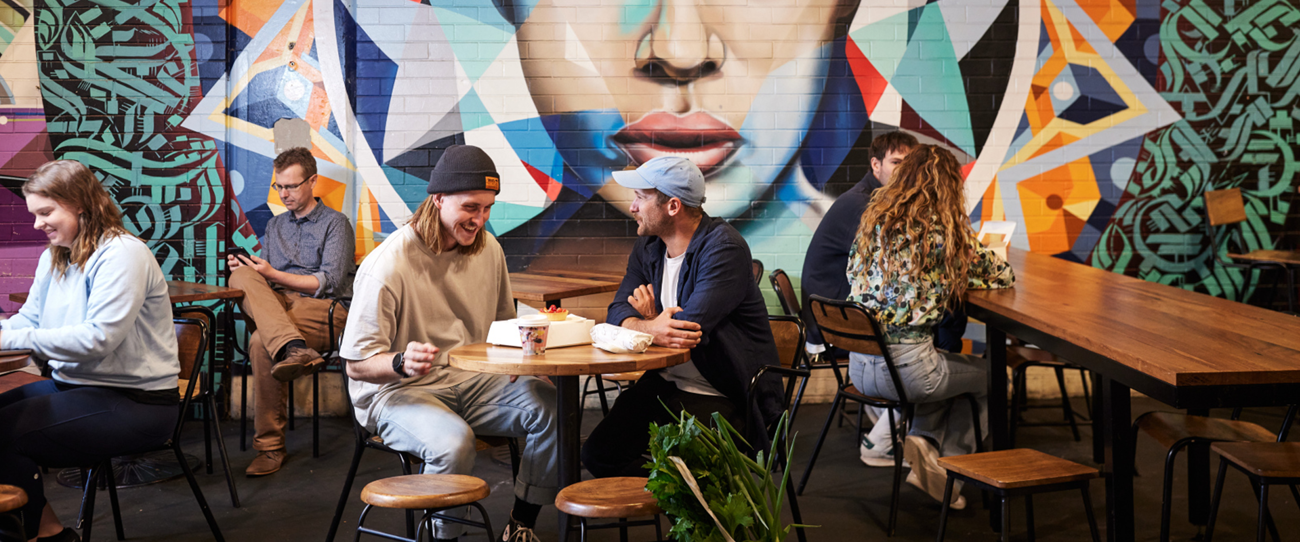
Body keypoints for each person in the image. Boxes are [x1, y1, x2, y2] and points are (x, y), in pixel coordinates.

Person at [340, 145, 558, 542]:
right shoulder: (388, 264)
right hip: (397, 391)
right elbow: (357, 365)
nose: (480, 220)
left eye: (488, 208)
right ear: (438, 199)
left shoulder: (489, 250)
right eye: (471, 207)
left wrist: (526, 362)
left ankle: (521, 524)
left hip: (471, 379)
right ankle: (445, 538)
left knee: (551, 407)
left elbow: (503, 327)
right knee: (453, 442)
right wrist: (402, 361)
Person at [0, 160, 181, 542]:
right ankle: (46, 532)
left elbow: (98, 339)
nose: (37, 224)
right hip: (78, 386)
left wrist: (8, 340)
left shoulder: (122, 254)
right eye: (34, 214)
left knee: (4, 433)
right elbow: (28, 320)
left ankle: (42, 535)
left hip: (138, 403)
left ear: (79, 203)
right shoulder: (54, 256)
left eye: (46, 212)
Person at [581, 156, 783, 478]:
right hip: (669, 382)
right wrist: (650, 325)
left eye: (641, 197)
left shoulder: (723, 247)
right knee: (598, 454)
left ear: (672, 206)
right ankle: (679, 496)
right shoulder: (648, 246)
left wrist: (649, 322)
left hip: (725, 391)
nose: (632, 207)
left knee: (689, 469)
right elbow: (617, 311)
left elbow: (684, 332)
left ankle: (694, 502)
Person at [845, 145, 1014, 509]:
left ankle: (923, 440)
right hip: (909, 373)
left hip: (860, 367)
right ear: (949, 186)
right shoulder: (942, 233)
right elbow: (1001, 274)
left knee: (947, 367)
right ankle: (949, 470)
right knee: (995, 378)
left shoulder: (871, 223)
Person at [800, 132, 970, 467]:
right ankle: (920, 450)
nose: (905, 171)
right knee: (943, 344)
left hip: (851, 331)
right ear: (875, 165)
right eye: (896, 163)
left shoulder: (874, 202)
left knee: (935, 341)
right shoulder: (869, 207)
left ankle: (912, 440)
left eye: (909, 164)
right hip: (851, 333)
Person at [228, 147, 355, 477]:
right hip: (280, 306)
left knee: (259, 342)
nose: (284, 194)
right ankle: (293, 348)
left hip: (325, 310)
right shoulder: (275, 226)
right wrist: (251, 269)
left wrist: (269, 274)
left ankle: (270, 448)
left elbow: (327, 282)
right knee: (240, 275)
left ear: (312, 181)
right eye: (279, 187)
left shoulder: (336, 224)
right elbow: (264, 285)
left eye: (292, 186)